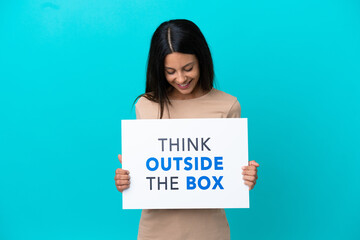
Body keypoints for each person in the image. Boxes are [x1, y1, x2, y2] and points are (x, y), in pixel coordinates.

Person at [114, 19, 259, 240]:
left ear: (202, 60)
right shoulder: (145, 106)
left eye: (188, 68)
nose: (180, 78)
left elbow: (227, 177)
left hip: (210, 230)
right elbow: (146, 176)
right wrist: (127, 180)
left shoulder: (227, 106)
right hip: (155, 230)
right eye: (170, 71)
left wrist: (245, 178)